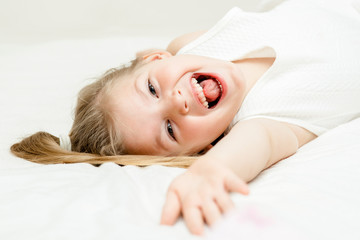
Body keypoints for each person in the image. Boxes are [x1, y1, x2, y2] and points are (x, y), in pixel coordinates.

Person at [11, 0, 360, 235]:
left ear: (156, 59)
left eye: (150, 89)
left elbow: (173, 55)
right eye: (170, 129)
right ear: (203, 148)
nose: (176, 102)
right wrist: (210, 172)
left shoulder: (199, 45)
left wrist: (157, 59)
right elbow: (253, 148)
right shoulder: (265, 122)